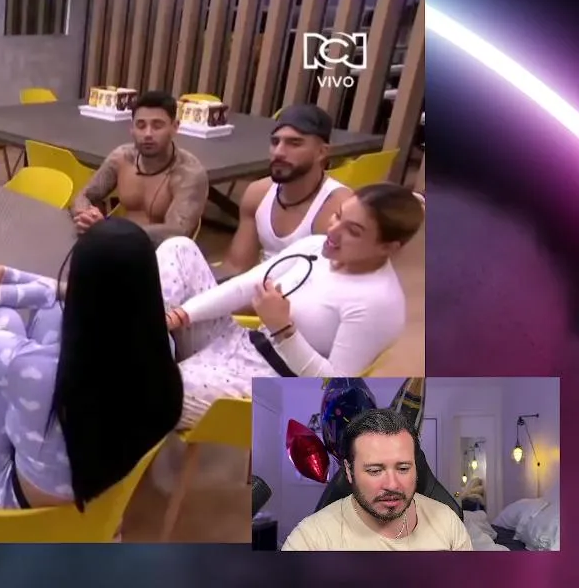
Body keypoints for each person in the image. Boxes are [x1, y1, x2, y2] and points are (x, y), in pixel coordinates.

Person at [0, 217, 183, 515]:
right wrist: (2, 274)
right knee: (53, 314)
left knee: (4, 321)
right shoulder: (159, 350)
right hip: (96, 487)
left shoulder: (37, 370)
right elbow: (76, 295)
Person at [161, 183, 424, 428]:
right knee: (179, 249)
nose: (333, 231)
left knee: (147, 390)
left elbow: (333, 387)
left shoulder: (378, 304)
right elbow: (244, 286)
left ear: (388, 248)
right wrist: (181, 315)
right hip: (242, 342)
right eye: (337, 216)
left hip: (269, 383)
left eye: (353, 231)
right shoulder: (315, 247)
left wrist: (283, 329)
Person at [283, 409, 473, 551]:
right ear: (349, 470)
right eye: (375, 470)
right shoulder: (311, 539)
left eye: (403, 468)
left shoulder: (447, 522)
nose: (392, 484)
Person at [217, 104, 350, 280]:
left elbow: (340, 285)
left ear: (321, 152)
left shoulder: (340, 209)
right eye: (275, 142)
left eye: (294, 143)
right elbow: (237, 266)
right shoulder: (257, 193)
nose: (279, 152)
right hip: (257, 288)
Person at [71, 91, 210, 243]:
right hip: (116, 244)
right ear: (132, 129)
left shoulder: (189, 173)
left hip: (157, 253)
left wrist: (108, 229)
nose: (148, 134)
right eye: (141, 126)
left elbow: (177, 232)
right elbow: (83, 196)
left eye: (157, 126)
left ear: (175, 127)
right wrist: (87, 217)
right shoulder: (122, 157)